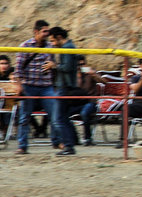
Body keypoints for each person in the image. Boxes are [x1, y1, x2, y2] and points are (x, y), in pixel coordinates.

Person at [13, 20, 63, 155]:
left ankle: (56, 141)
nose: (47, 34)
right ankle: (22, 145)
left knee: (55, 114)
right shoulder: (25, 46)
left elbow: (55, 64)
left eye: (48, 31)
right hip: (29, 86)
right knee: (24, 117)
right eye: (44, 31)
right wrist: (19, 87)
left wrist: (53, 65)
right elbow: (17, 70)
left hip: (46, 86)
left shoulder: (50, 47)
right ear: (36, 32)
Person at [48, 26, 80, 156]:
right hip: (65, 87)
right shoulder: (68, 47)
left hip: (64, 88)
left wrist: (53, 66)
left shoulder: (67, 48)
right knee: (63, 118)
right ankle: (69, 144)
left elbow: (67, 67)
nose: (52, 44)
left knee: (58, 119)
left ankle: (68, 146)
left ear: (59, 37)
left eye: (53, 41)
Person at [69, 56, 108, 146]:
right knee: (63, 114)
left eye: (82, 64)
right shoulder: (72, 75)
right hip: (76, 102)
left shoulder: (89, 73)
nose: (80, 67)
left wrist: (93, 74)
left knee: (85, 113)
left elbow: (104, 82)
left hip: (90, 102)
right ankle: (74, 138)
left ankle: (88, 138)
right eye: (78, 65)